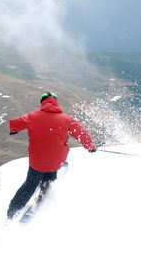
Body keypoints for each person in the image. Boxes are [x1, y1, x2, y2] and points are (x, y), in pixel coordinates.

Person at [6, 92, 96, 220]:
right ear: (56, 102)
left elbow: (15, 123)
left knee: (29, 184)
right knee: (51, 170)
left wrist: (13, 130)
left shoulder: (32, 116)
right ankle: (46, 185)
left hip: (36, 162)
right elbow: (82, 134)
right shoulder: (67, 119)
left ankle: (12, 211)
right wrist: (91, 147)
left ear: (42, 102)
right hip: (57, 161)